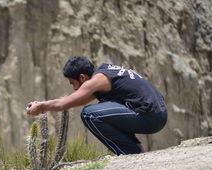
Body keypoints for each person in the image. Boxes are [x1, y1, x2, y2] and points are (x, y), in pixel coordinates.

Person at [26, 56, 167, 155]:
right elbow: (80, 100)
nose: (74, 88)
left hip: (150, 116)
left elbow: (65, 103)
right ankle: (137, 150)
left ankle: (132, 154)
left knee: (89, 114)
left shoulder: (97, 80)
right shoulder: (106, 74)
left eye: (72, 83)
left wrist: (41, 106)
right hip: (158, 113)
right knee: (102, 107)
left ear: (82, 77)